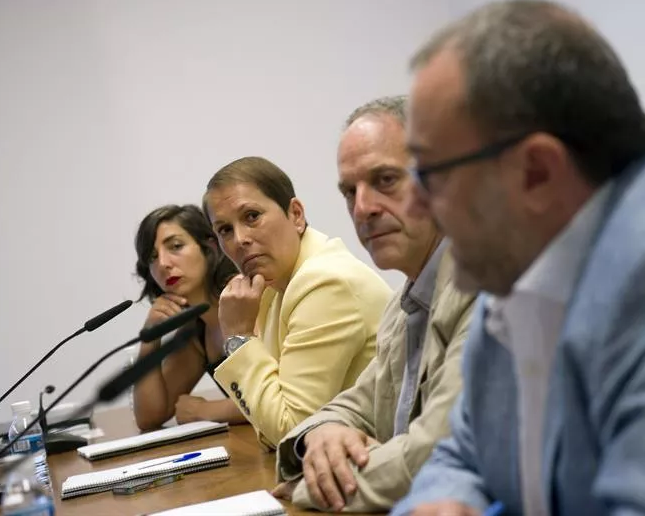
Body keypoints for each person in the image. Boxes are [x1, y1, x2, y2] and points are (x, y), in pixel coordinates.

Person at [395, 0, 645, 516]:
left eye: (430, 174)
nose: (413, 202)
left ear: (537, 173)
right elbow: (462, 453)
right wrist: (444, 499)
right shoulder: (518, 264)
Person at [270, 96, 476, 512]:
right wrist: (323, 433)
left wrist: (309, 486)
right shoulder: (405, 304)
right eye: (350, 191)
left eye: (385, 180)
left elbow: (433, 456)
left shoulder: (486, 291)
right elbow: (355, 405)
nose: (361, 208)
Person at [202, 156, 392, 448]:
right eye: (225, 230)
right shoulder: (270, 285)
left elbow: (291, 431)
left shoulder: (325, 282)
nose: (240, 239)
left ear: (296, 214)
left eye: (252, 216)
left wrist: (238, 339)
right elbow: (269, 429)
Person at [132, 204, 246, 431]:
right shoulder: (197, 332)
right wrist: (149, 339)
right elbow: (149, 417)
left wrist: (206, 411)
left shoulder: (246, 295)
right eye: (152, 257)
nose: (163, 263)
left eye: (175, 246)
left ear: (210, 246)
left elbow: (291, 397)